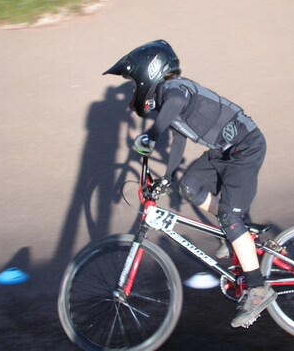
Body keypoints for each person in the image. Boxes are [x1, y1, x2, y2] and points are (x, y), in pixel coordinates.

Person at [103, 39, 277, 328]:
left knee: (231, 218)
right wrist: (167, 178)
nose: (135, 91)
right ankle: (234, 232)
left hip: (246, 147)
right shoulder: (167, 101)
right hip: (224, 151)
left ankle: (258, 287)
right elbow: (179, 138)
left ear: (151, 73)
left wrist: (152, 135)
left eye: (135, 83)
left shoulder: (173, 89)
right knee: (189, 185)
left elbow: (175, 104)